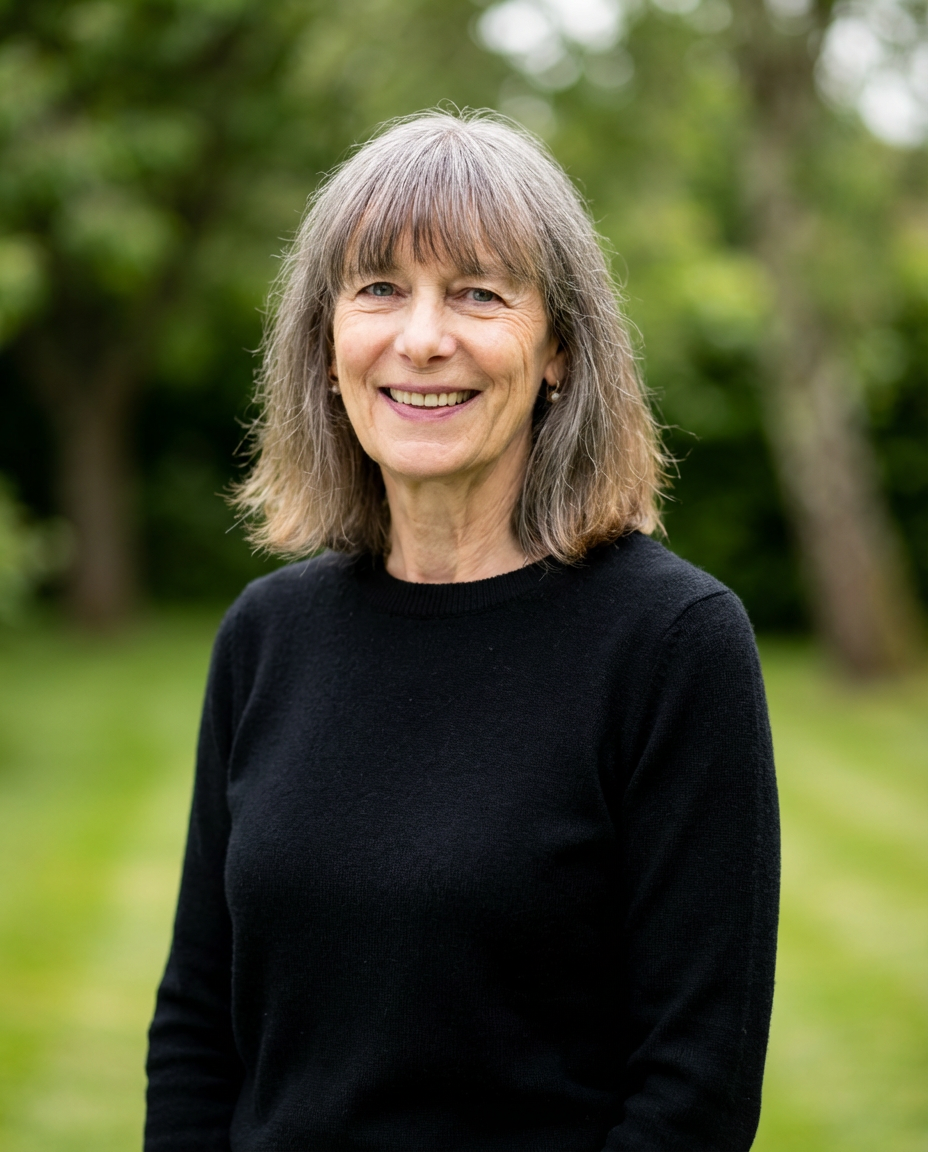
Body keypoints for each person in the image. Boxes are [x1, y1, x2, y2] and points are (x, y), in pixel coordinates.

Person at [145, 110, 779, 1152]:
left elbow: (694, 1091)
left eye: (478, 293)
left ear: (561, 351)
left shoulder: (673, 644)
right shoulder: (266, 637)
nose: (423, 337)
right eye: (379, 289)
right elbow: (197, 1030)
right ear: (327, 340)